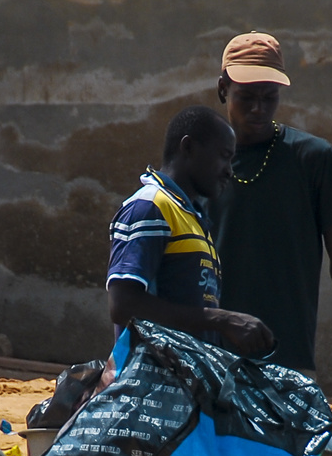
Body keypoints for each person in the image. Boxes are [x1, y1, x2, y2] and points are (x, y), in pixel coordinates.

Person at [212, 32, 332, 385]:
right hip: (209, 352)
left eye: (269, 98)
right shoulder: (201, 159)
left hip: (284, 354)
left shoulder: (312, 158)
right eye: (246, 97)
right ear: (223, 89)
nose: (259, 108)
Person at [107, 105, 274, 357]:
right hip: (148, 384)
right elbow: (123, 305)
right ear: (188, 147)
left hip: (185, 382)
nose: (229, 170)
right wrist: (221, 319)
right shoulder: (150, 206)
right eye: (223, 156)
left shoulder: (192, 217)